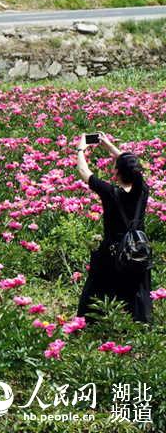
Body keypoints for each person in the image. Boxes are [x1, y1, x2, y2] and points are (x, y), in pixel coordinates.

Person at [76, 132, 152, 324]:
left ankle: (96, 325)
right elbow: (132, 167)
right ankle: (139, 325)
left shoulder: (110, 192)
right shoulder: (142, 190)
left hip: (112, 252)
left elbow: (84, 172)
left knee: (98, 289)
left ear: (116, 172)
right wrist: (110, 146)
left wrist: (80, 149)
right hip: (138, 249)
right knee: (135, 291)